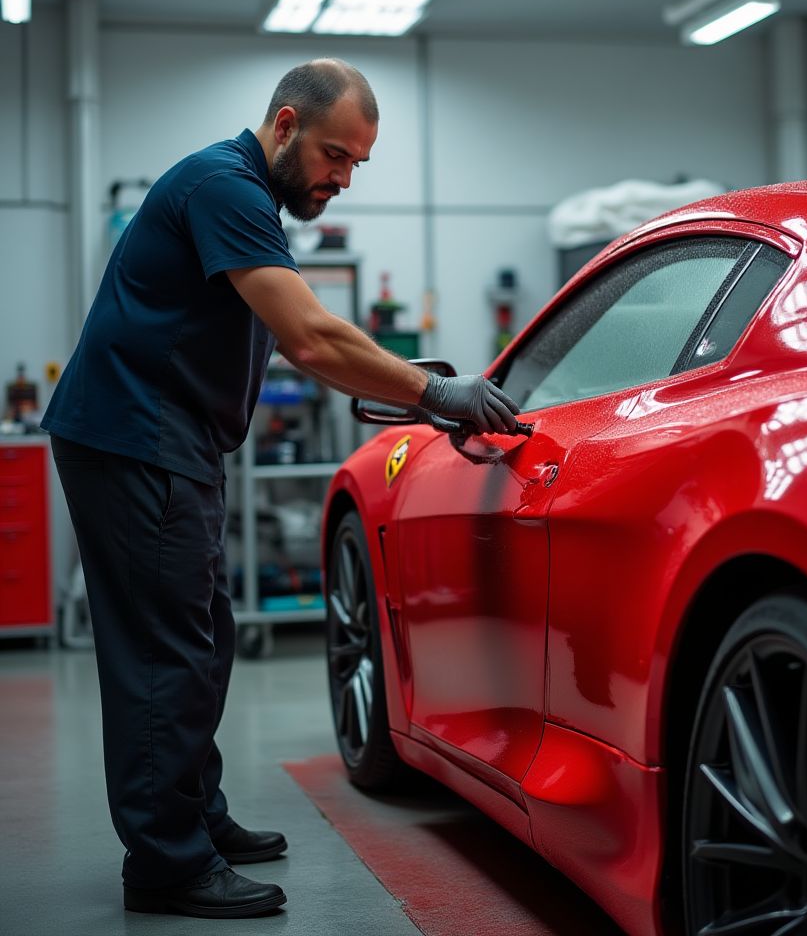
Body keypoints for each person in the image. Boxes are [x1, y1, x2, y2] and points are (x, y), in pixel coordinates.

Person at [41, 58, 520, 919]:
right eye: (338, 156)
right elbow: (309, 337)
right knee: (166, 656)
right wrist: (436, 392)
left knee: (206, 638)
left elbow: (308, 339)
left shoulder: (248, 199)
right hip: (136, 442)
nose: (343, 178)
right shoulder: (225, 187)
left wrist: (407, 390)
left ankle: (195, 818)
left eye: (358, 165)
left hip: (166, 444)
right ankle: (165, 863)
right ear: (288, 126)